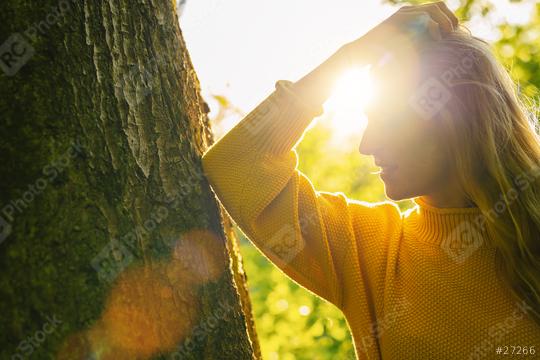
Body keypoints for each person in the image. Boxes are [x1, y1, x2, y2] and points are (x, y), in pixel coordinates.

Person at [201, 2, 540, 358]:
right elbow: (237, 161)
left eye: (387, 120)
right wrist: (351, 56)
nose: (367, 144)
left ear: (455, 121)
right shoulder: (369, 248)